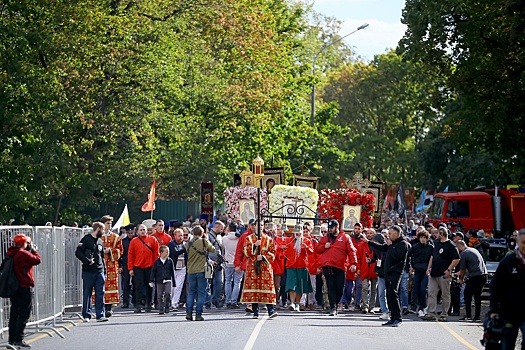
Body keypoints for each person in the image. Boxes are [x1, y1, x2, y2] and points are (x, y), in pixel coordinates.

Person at [366, 225, 410, 327]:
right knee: (389, 295)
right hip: (387, 273)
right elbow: (381, 248)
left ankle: (397, 318)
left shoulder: (402, 244)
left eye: (391, 234)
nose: (388, 236)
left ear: (397, 234)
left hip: (395, 273)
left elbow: (396, 256)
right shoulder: (392, 244)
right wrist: (368, 242)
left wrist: (390, 246)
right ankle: (392, 317)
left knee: (393, 294)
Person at [489, 228, 525, 349]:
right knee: (507, 343)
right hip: (509, 311)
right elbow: (496, 286)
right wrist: (494, 309)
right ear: (518, 242)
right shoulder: (508, 261)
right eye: (523, 242)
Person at [315, 220, 357, 316]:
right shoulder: (325, 238)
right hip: (328, 265)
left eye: (332, 228)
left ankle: (336, 304)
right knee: (331, 286)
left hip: (340, 266)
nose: (330, 230)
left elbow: (351, 251)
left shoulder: (345, 238)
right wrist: (324, 247)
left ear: (337, 227)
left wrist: (354, 263)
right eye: (329, 228)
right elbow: (317, 249)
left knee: (340, 288)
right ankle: (333, 307)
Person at [7, 234, 41, 348]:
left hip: (14, 287)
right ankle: (18, 339)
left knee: (14, 313)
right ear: (24, 243)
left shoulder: (11, 252)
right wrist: (33, 249)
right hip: (24, 286)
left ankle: (11, 339)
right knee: (24, 313)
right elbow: (37, 260)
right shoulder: (23, 253)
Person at [420, 226, 460, 322]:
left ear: (442, 234)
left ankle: (444, 314)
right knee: (431, 293)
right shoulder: (436, 243)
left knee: (445, 294)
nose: (435, 235)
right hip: (434, 273)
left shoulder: (451, 245)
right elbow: (433, 256)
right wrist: (429, 267)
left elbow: (456, 259)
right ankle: (431, 313)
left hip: (444, 274)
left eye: (437, 233)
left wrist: (449, 269)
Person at [239, 224, 278, 319]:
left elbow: (273, 252)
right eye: (258, 225)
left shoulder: (268, 239)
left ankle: (271, 311)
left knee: (267, 288)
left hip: (265, 267)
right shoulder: (249, 238)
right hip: (253, 266)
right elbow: (246, 251)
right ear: (254, 227)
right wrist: (254, 246)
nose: (260, 227)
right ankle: (255, 311)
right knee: (254, 289)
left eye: (261, 225)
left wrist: (264, 257)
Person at [75, 222, 108, 322]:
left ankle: (100, 314)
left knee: (100, 293)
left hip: (99, 271)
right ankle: (86, 314)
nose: (103, 232)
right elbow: (78, 252)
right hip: (88, 271)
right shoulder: (86, 239)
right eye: (102, 230)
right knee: (87, 293)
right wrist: (87, 260)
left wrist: (104, 270)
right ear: (98, 229)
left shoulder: (100, 241)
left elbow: (102, 257)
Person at [128, 224, 160, 313]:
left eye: (144, 229)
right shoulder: (134, 241)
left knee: (149, 286)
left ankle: (149, 304)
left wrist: (155, 267)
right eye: (141, 230)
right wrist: (130, 268)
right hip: (138, 267)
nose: (142, 231)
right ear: (137, 231)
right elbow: (130, 255)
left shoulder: (153, 240)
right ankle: (138, 305)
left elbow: (156, 254)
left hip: (150, 267)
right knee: (138, 286)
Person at [186, 226, 215, 321]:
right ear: (202, 233)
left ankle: (189, 313)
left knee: (191, 292)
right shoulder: (204, 241)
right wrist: (206, 240)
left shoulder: (188, 243)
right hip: (202, 270)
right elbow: (213, 249)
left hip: (191, 270)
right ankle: (198, 314)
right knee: (201, 292)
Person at [284, 223, 313, 312]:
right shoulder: (289, 240)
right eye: (296, 230)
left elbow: (311, 252)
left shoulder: (306, 241)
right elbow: (283, 250)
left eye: (299, 230)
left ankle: (297, 303)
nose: (298, 233)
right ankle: (292, 303)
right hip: (291, 266)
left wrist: (306, 247)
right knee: (291, 285)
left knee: (300, 286)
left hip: (302, 266)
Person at [456, 240, 487, 322]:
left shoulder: (464, 254)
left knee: (467, 294)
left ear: (459, 247)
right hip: (483, 275)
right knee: (477, 296)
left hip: (475, 276)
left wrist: (461, 280)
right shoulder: (473, 250)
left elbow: (463, 269)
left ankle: (468, 315)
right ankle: (477, 316)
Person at [100, 215, 123, 317]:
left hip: (111, 264)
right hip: (99, 263)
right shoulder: (98, 236)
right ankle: (100, 308)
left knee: (111, 285)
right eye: (107, 223)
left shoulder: (115, 237)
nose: (109, 225)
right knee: (100, 285)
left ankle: (108, 308)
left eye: (110, 223)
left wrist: (110, 251)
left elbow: (120, 250)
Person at [408, 229, 433, 317]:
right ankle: (417, 306)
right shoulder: (415, 247)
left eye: (424, 237)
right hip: (417, 270)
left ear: (427, 238)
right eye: (421, 237)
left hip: (426, 272)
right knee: (416, 289)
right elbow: (408, 256)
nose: (422, 239)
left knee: (423, 289)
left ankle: (422, 307)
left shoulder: (430, 248)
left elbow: (433, 258)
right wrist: (410, 266)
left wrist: (429, 269)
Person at [150, 245, 176, 315]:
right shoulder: (157, 262)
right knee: (159, 295)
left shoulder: (170, 261)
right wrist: (151, 280)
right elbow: (153, 271)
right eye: (166, 252)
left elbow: (172, 271)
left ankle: (167, 306)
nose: (168, 253)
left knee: (168, 293)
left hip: (168, 279)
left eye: (168, 252)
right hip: (159, 280)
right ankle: (161, 308)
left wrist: (174, 282)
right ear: (161, 253)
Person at [223, 222, 243, 308]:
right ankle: (234, 300)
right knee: (237, 282)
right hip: (238, 262)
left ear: (229, 229)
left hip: (228, 262)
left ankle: (228, 300)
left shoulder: (224, 238)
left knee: (228, 281)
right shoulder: (239, 238)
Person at [168, 228, 188, 311]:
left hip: (182, 268)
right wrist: (184, 248)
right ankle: (169, 301)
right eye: (179, 235)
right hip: (173, 268)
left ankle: (174, 303)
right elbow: (175, 252)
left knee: (178, 287)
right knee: (172, 287)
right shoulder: (171, 244)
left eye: (182, 235)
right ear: (175, 236)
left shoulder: (185, 244)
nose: (181, 237)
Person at [207, 220, 225, 308]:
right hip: (209, 263)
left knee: (219, 282)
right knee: (207, 283)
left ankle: (215, 299)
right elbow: (205, 249)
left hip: (218, 263)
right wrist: (209, 260)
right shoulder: (208, 236)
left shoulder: (219, 237)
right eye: (221, 229)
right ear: (216, 227)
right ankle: (207, 301)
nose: (222, 231)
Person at [118, 224, 136, 308]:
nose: (130, 234)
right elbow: (120, 255)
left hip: (136, 264)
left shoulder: (137, 240)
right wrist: (120, 266)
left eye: (132, 232)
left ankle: (136, 301)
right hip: (125, 264)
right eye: (129, 233)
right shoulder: (123, 241)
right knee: (126, 284)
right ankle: (126, 301)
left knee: (136, 283)